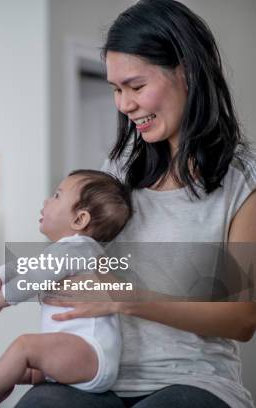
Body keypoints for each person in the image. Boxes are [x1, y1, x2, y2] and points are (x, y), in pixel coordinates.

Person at [16, 1, 256, 407]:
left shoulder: (243, 180)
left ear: (188, 72)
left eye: (136, 86)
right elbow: (87, 261)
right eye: (116, 89)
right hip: (102, 371)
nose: (124, 105)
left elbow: (241, 319)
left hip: (194, 381)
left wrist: (127, 297)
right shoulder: (119, 169)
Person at [0, 170, 132, 401]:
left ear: (79, 219)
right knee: (15, 370)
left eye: (57, 196)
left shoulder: (78, 249)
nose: (46, 201)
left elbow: (35, 276)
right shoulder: (72, 250)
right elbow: (27, 264)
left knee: (25, 347)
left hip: (87, 351)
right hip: (81, 354)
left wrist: (2, 298)